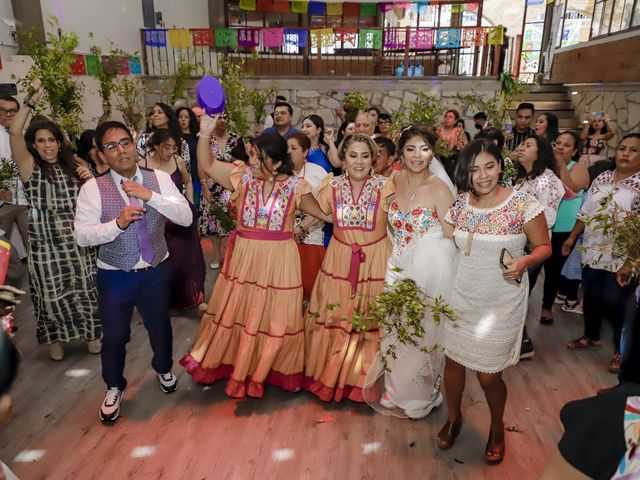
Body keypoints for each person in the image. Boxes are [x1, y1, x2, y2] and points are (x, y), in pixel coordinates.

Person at [181, 118, 329, 399]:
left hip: (279, 258)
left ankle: (274, 367)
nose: (250, 161)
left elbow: (322, 214)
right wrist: (204, 134)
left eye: (256, 157)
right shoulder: (243, 177)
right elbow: (208, 164)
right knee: (242, 310)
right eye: (250, 155)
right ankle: (239, 363)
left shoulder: (298, 187)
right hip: (246, 257)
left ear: (274, 162)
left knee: (276, 314)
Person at [438, 139, 551, 464]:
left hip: (501, 300)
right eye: (474, 169)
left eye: (489, 166)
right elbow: (445, 240)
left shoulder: (522, 204)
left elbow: (544, 245)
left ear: (501, 165)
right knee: (453, 364)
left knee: (489, 375)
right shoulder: (459, 205)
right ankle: (454, 417)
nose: (483, 175)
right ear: (465, 172)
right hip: (462, 296)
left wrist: (524, 262)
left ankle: (497, 426)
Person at [74, 120, 193, 422]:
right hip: (115, 274)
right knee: (114, 337)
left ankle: (164, 368)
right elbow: (83, 236)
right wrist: (117, 224)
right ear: (101, 154)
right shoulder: (92, 189)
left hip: (155, 270)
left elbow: (186, 217)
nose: (121, 150)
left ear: (134, 144)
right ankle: (114, 386)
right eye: (111, 146)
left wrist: (150, 195)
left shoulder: (160, 179)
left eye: (125, 142)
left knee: (160, 328)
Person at [366, 126, 457, 419]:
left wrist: (431, 266)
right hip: (398, 261)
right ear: (400, 154)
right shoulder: (395, 179)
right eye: (411, 149)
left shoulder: (439, 188)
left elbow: (450, 235)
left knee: (422, 332)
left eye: (425, 149)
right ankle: (396, 389)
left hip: (430, 265)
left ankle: (422, 394)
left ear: (432, 152)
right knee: (394, 327)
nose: (418, 155)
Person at [9, 79, 101, 361]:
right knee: (50, 294)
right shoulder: (29, 167)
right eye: (41, 140)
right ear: (33, 145)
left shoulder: (74, 165)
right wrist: (30, 100)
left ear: (59, 143)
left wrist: (90, 180)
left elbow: (96, 201)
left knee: (85, 289)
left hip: (77, 240)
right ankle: (55, 340)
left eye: (52, 139)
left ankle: (92, 334)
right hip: (45, 242)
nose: (47, 145)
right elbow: (14, 131)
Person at [304, 133, 392, 403]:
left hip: (375, 260)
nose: (359, 161)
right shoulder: (331, 185)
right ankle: (331, 375)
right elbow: (322, 213)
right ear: (343, 158)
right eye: (353, 155)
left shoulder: (387, 186)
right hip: (340, 259)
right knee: (338, 316)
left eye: (365, 156)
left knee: (369, 318)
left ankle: (362, 380)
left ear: (373, 160)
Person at [563, 133, 640, 375]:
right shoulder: (603, 178)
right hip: (593, 250)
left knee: (617, 303)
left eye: (633, 150)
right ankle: (591, 336)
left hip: (622, 258)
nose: (625, 153)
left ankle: (620, 350)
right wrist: (572, 237)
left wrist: (630, 261)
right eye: (622, 148)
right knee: (592, 296)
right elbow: (586, 212)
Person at [142, 129, 205, 310]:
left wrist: (191, 205)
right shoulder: (143, 164)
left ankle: (196, 298)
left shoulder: (178, 161)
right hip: (157, 219)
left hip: (180, 215)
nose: (171, 151)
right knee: (164, 262)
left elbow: (187, 181)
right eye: (166, 147)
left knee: (189, 257)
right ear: (155, 146)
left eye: (173, 148)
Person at [514, 134, 564, 357]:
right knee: (516, 292)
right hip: (521, 243)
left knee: (517, 292)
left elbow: (548, 217)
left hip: (532, 246)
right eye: (522, 144)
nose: (522, 148)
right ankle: (519, 340)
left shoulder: (547, 179)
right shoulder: (527, 178)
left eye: (528, 145)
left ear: (540, 152)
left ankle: (523, 342)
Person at [536, 132, 588, 325]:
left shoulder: (579, 168)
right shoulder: (544, 168)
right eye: (557, 143)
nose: (560, 147)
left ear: (575, 150)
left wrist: (560, 164)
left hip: (563, 229)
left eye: (566, 145)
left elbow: (572, 190)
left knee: (552, 271)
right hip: (540, 226)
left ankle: (546, 307)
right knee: (532, 270)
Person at [287, 132, 329, 302]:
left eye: (294, 148)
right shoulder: (281, 173)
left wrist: (301, 226)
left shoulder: (318, 172)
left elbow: (324, 207)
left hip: (311, 233)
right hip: (286, 236)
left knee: (312, 284)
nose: (289, 152)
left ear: (305, 152)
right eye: (287, 148)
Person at [200, 112, 240, 270]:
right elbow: (201, 163)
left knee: (231, 222)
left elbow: (241, 160)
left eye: (225, 117)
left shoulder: (235, 138)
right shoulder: (206, 139)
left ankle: (229, 254)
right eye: (219, 118)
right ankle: (216, 255)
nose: (222, 120)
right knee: (212, 223)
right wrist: (204, 186)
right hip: (210, 185)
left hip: (231, 184)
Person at [0, 94, 30, 290]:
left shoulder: (26, 134)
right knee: (3, 255)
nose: (8, 114)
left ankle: (40, 285)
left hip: (26, 201)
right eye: (3, 110)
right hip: (3, 204)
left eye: (13, 110)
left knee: (35, 245)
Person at [136, 103, 190, 172]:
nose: (155, 115)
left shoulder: (180, 141)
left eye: (160, 112)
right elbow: (139, 161)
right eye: (153, 113)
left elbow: (186, 168)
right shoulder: (144, 138)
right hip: (150, 178)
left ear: (168, 117)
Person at [176, 106, 204, 208]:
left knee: (195, 207)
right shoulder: (173, 139)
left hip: (196, 177)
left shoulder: (197, 138)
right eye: (180, 117)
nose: (183, 119)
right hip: (178, 178)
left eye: (186, 117)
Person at [438, 109, 467, 178]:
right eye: (446, 116)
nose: (447, 118)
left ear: (456, 121)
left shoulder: (459, 132)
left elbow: (464, 148)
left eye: (450, 117)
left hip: (454, 162)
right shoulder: (438, 131)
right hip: (440, 162)